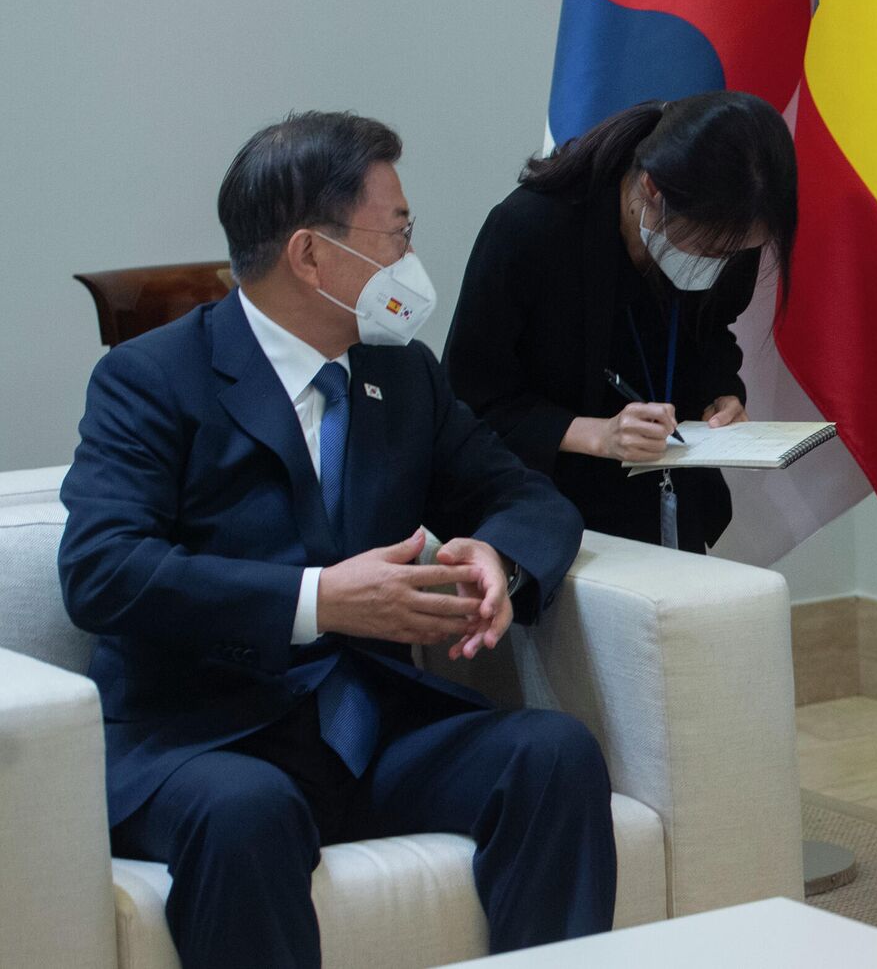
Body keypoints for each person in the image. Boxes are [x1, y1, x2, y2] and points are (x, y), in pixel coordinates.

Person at [58, 112, 617, 969]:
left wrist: (495, 556)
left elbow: (523, 495)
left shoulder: (403, 373)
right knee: (248, 811)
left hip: (371, 726)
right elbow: (103, 571)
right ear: (311, 257)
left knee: (551, 753)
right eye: (396, 234)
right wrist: (321, 600)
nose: (409, 260)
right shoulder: (152, 379)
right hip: (203, 738)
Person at [444, 92, 796, 553]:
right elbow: (471, 399)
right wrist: (600, 434)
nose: (725, 263)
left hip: (668, 488)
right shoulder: (530, 231)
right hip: (548, 507)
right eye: (711, 249)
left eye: (740, 252)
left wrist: (722, 395)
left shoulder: (731, 233)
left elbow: (710, 335)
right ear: (652, 190)